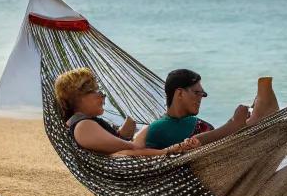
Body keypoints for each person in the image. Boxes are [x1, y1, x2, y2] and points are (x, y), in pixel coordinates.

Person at [53, 68, 199, 158]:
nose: (103, 96)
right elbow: (131, 149)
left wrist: (123, 133)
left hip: (139, 153)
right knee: (190, 130)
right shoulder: (84, 126)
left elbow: (116, 144)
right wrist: (170, 151)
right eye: (96, 91)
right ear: (78, 97)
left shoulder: (85, 123)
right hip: (141, 159)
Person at [139, 68, 278, 150]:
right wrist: (233, 124)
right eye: (197, 93)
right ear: (180, 93)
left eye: (203, 94)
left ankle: (250, 122)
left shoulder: (197, 123)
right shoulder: (158, 128)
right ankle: (247, 122)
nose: (201, 98)